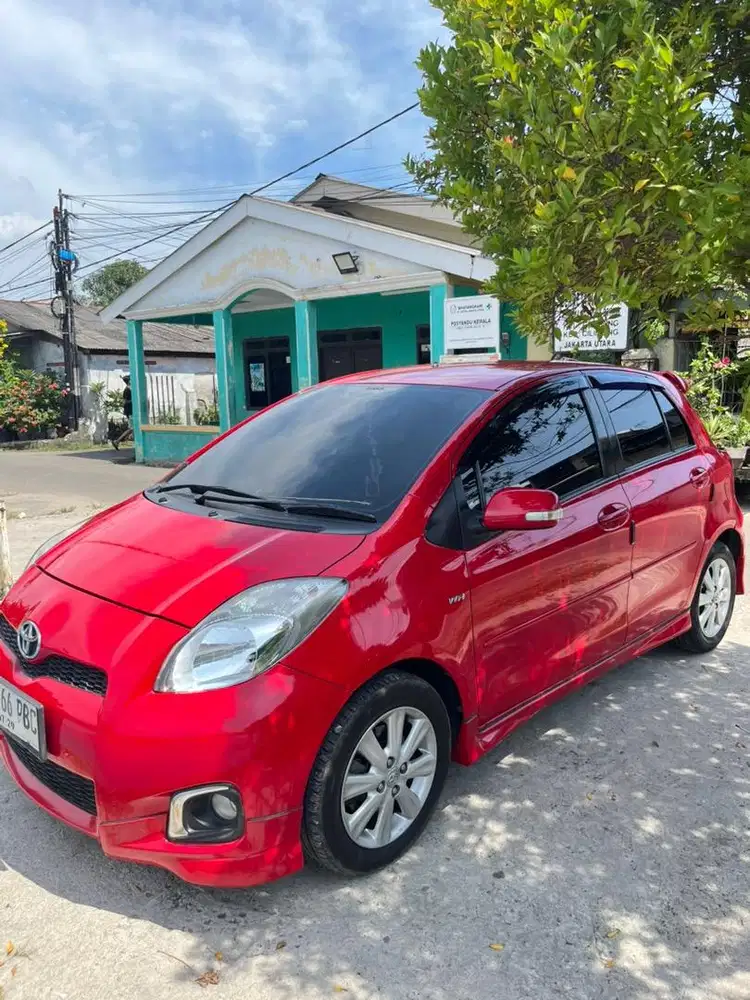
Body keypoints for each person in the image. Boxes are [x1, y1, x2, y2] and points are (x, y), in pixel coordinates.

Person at [112, 375, 133, 450]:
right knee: (132, 428)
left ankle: (120, 440)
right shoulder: (127, 390)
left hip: (132, 411)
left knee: (133, 428)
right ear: (129, 381)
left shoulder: (131, 389)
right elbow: (124, 401)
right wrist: (133, 400)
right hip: (130, 411)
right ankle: (117, 441)